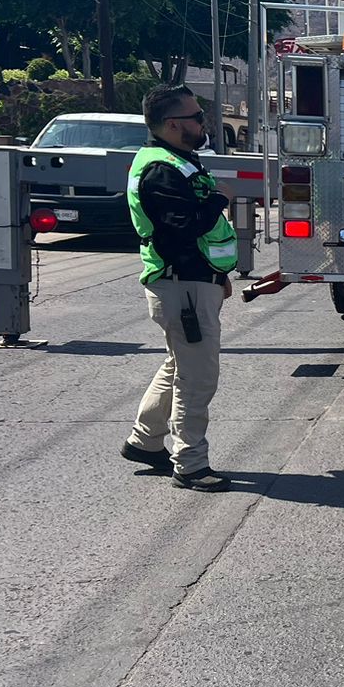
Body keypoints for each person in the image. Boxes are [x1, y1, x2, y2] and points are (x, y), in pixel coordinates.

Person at [120, 84, 240, 492]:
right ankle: (190, 465)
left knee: (178, 366)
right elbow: (181, 230)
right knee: (197, 377)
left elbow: (189, 235)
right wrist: (218, 199)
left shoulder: (175, 161)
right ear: (173, 124)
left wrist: (216, 276)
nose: (204, 123)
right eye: (197, 117)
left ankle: (144, 441)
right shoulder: (162, 170)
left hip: (189, 282)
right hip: (182, 286)